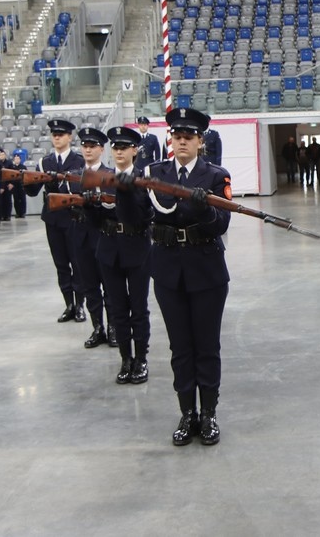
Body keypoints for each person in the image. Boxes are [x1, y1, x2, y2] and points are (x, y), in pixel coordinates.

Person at [138, 107, 232, 446]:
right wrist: (122, 191)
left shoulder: (215, 175)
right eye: (176, 136)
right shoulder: (154, 173)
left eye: (188, 137)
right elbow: (140, 217)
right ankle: (186, 413)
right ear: (170, 139)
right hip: (167, 271)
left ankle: (208, 414)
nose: (181, 142)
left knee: (206, 345)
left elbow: (222, 224)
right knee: (180, 347)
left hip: (206, 270)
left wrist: (203, 207)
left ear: (199, 140)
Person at [98, 126, 154, 385]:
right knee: (118, 308)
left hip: (137, 247)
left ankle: (141, 357)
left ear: (135, 150)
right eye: (115, 148)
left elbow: (145, 216)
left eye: (124, 147)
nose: (119, 152)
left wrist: (128, 191)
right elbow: (93, 220)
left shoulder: (144, 180)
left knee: (139, 308)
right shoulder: (102, 179)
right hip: (109, 248)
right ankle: (125, 358)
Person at [25, 119, 88, 323]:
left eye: (61, 134)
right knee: (60, 264)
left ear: (70, 137)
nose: (57, 138)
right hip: (53, 218)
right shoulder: (45, 162)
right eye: (54, 135)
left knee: (78, 263)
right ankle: (68, 303)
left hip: (73, 217)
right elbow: (32, 190)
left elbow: (84, 188)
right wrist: (25, 180)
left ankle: (80, 304)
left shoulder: (79, 161)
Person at [71, 127, 110, 348]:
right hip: (81, 235)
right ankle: (98, 328)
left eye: (92, 146)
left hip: (104, 235)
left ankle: (113, 326)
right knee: (90, 286)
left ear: (101, 150)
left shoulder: (109, 175)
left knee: (110, 286)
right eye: (84, 146)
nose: (87, 150)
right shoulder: (74, 176)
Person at [7, 152, 28, 218]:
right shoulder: (12, 167)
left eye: (18, 158)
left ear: (20, 159)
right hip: (14, 185)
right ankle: (18, 213)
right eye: (15, 159)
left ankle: (23, 212)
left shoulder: (23, 167)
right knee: (16, 199)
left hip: (21, 185)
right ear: (14, 160)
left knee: (23, 199)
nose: (17, 160)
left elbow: (26, 176)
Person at [0, 149, 14, 222]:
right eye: (0, 155)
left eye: (2, 154)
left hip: (7, 184)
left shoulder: (9, 163)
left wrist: (11, 183)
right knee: (0, 201)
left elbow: (12, 174)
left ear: (5, 155)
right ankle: (1, 215)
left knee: (7, 201)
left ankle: (7, 215)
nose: (1, 156)